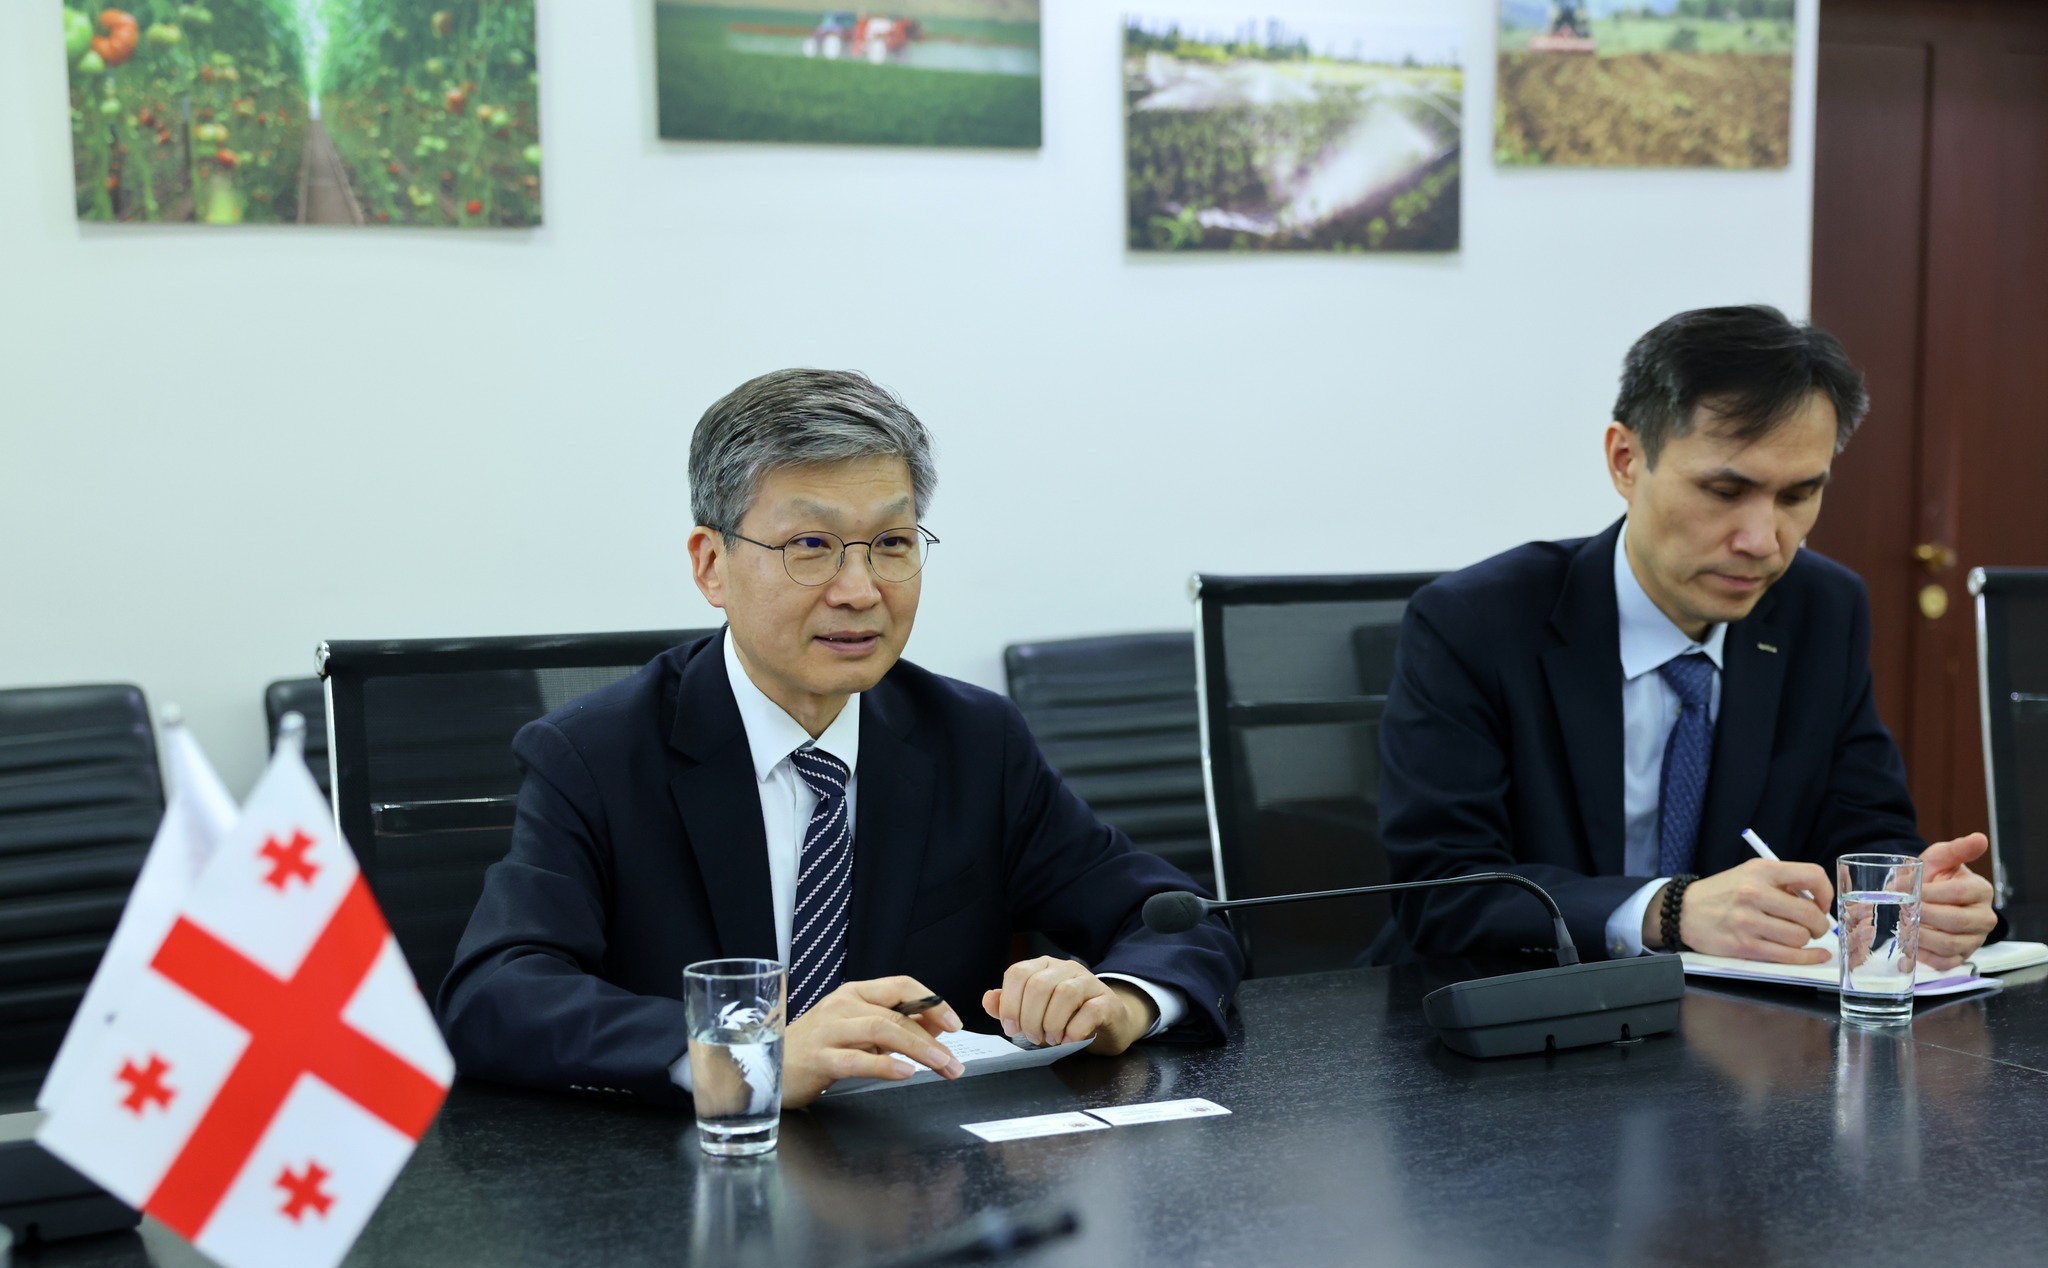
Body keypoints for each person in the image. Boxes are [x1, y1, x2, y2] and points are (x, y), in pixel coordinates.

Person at [438, 368, 1242, 1107]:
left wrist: (1120, 1001)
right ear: (712, 565)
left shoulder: (972, 740)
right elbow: (496, 995)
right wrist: (747, 1058)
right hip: (690, 1180)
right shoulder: (595, 756)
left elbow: (1177, 917)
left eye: (891, 544)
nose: (859, 591)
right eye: (810, 547)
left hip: (926, 1175)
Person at [1370, 306, 1999, 969]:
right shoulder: (1474, 622)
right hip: (1506, 1006)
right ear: (1626, 461)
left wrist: (1911, 896)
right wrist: (1667, 910)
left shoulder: (1821, 609)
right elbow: (1442, 888)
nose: (1762, 541)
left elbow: (1863, 824)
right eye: (1725, 491)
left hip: (1738, 1017)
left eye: (1796, 497)